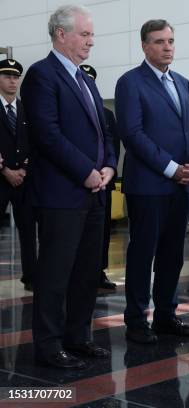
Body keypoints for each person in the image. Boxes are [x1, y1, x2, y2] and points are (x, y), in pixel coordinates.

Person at [20, 4, 116, 369]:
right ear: (61, 34)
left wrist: (107, 166)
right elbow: (47, 134)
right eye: (85, 34)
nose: (91, 41)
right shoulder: (41, 76)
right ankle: (48, 346)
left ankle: (78, 337)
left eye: (92, 34)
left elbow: (105, 130)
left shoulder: (86, 80)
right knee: (55, 274)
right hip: (62, 193)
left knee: (86, 272)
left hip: (94, 192)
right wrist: (85, 172)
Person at [115, 19, 189, 344]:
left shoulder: (182, 82)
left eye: (170, 41)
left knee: (173, 255)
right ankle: (137, 321)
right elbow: (133, 135)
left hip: (183, 186)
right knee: (143, 254)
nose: (167, 47)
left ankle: (166, 315)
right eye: (159, 41)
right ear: (144, 46)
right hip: (149, 186)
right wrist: (171, 168)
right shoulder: (130, 83)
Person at [79, 64, 120, 291]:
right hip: (77, 179)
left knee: (102, 231)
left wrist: (109, 170)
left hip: (103, 182)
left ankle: (99, 271)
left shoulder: (106, 113)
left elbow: (114, 144)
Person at [0, 58, 37, 292]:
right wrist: (5, 170)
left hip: (24, 180)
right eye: (7, 76)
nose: (12, 81)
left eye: (16, 77)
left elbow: (35, 143)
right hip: (0, 178)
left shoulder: (26, 109)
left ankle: (31, 276)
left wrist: (24, 169)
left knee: (28, 229)